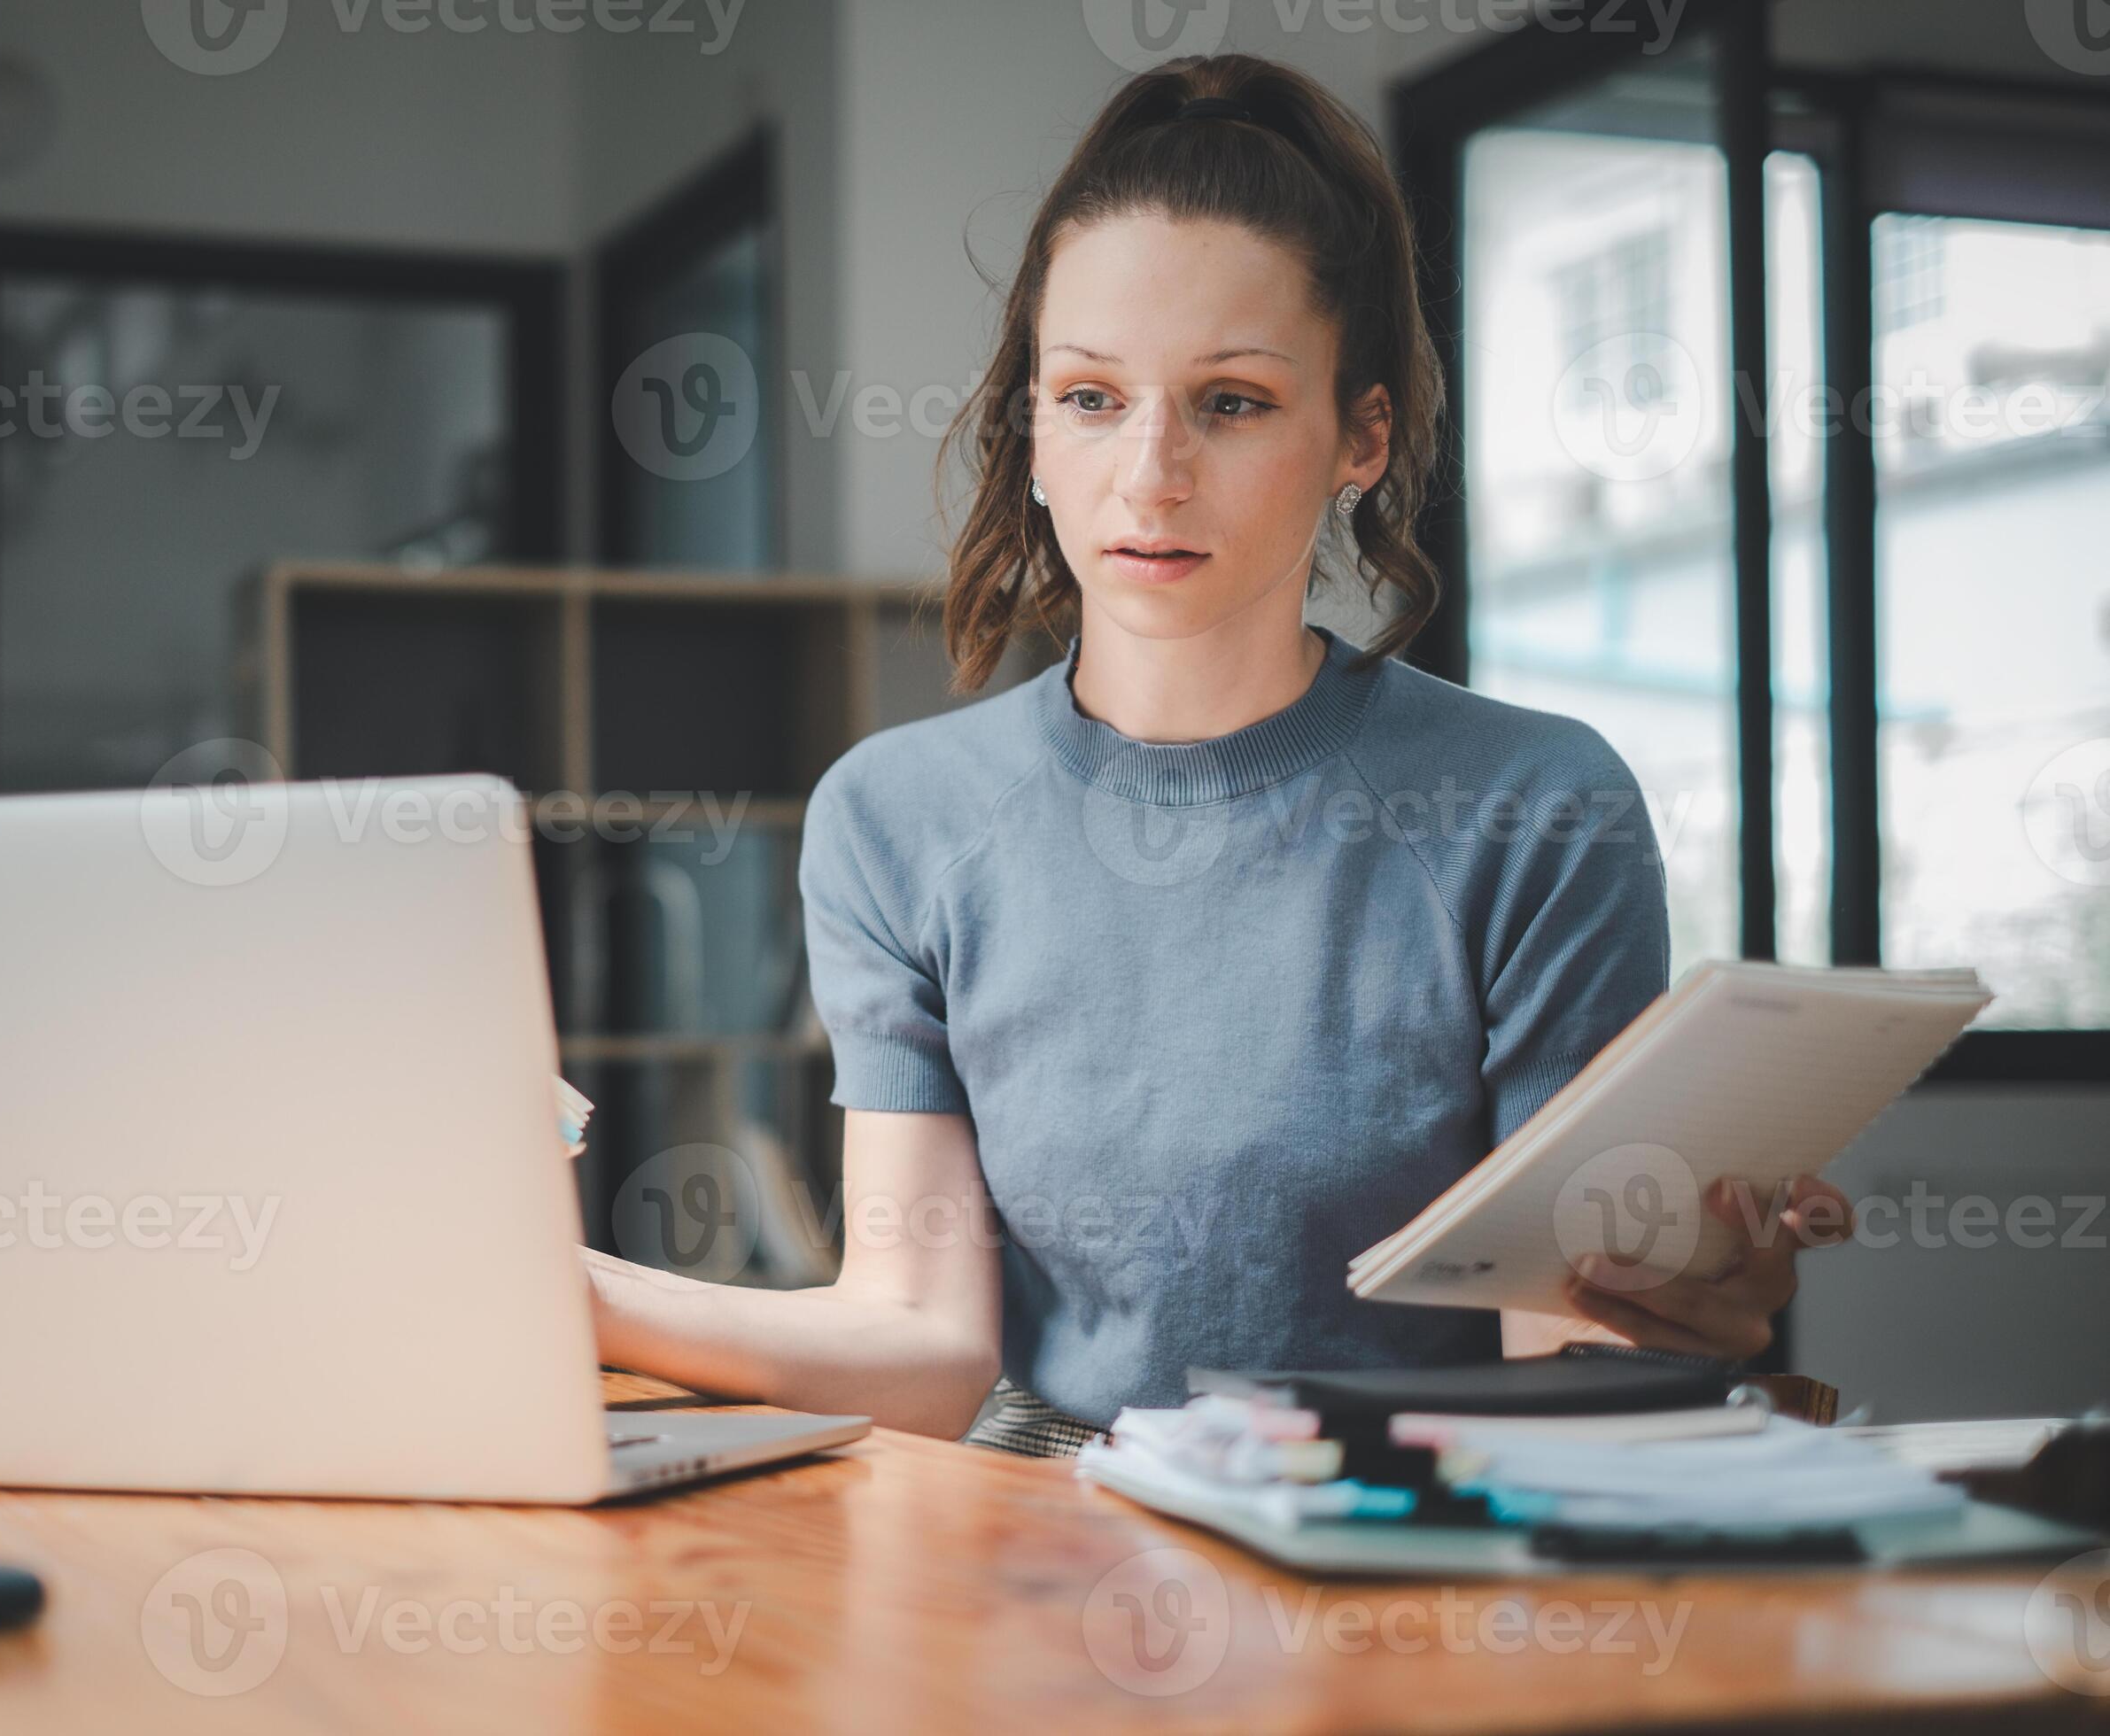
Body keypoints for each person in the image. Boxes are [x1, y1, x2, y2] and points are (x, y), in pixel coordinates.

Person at [580, 51, 1850, 1455]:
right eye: (1089, 397)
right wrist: (571, 1294)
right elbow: (925, 1345)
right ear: (1034, 429)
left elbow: (1564, 1359)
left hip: (1392, 1546)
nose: (1151, 474)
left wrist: (1682, 1305)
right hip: (1037, 1539)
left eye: (1232, 402)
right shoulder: (897, 816)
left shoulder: (1535, 808)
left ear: (1358, 438)